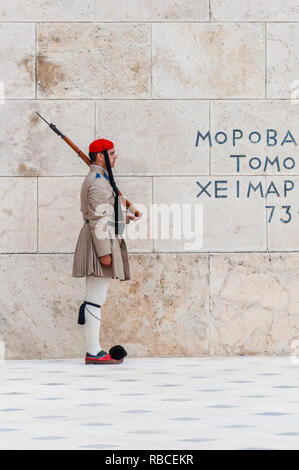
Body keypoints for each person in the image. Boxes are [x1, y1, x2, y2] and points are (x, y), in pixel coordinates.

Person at [72, 139, 141, 364]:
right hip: (98, 242)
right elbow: (98, 219)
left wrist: (125, 217)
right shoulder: (99, 183)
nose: (115, 157)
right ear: (100, 156)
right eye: (111, 153)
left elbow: (106, 213)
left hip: (101, 238)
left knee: (95, 298)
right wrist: (103, 252)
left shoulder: (101, 179)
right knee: (94, 300)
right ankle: (93, 352)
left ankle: (94, 350)